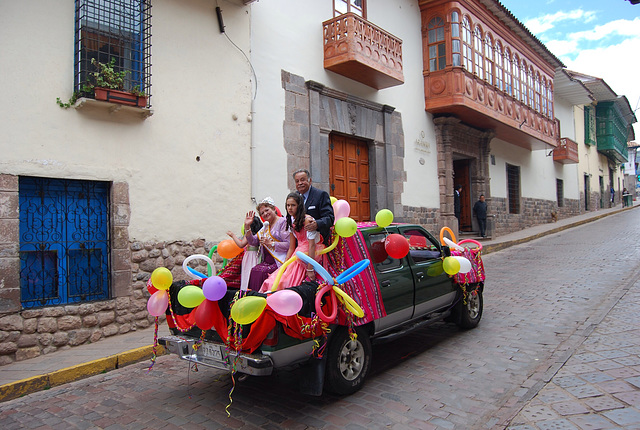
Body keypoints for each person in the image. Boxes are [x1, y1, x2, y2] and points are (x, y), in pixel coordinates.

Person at [260, 193, 325, 292]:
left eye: (293, 205)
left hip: (308, 254)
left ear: (299, 206)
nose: (290, 208)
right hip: (298, 252)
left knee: (290, 282)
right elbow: (291, 246)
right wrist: (285, 265)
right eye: (288, 205)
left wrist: (310, 268)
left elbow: (312, 246)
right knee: (276, 279)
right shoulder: (290, 220)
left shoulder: (307, 220)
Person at [244, 197, 290, 292]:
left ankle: (264, 299)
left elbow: (289, 245)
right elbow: (253, 241)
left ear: (273, 209)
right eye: (262, 213)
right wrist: (247, 227)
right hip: (267, 261)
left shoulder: (283, 222)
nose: (265, 214)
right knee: (254, 270)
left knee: (261, 272)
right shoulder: (266, 226)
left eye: (267, 210)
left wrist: (272, 244)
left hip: (279, 261)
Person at [293, 169, 335, 246]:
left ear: (310, 181)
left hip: (317, 243)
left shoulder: (321, 195)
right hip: (299, 244)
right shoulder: (295, 197)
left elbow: (330, 218)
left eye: (302, 180)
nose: (300, 183)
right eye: (297, 181)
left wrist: (317, 224)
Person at [227, 215, 262, 291]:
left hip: (249, 256)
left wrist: (233, 236)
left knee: (247, 274)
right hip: (258, 255)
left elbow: (241, 244)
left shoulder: (249, 234)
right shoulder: (260, 233)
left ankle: (245, 290)